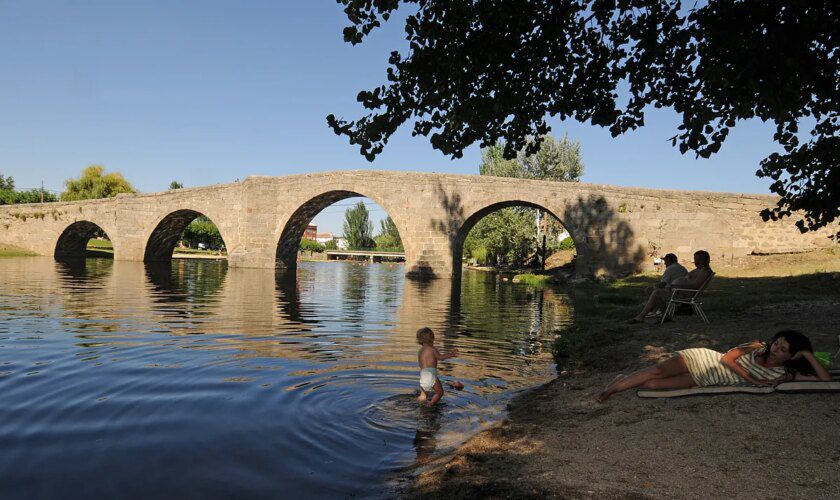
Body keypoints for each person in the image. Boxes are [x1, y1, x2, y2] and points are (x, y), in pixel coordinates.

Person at [595, 330, 831, 402]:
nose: (775, 349)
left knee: (653, 383)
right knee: (656, 370)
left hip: (708, 378)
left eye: (782, 349)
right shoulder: (757, 346)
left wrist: (808, 356)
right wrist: (753, 380)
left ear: (791, 356)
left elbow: (825, 382)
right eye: (777, 343)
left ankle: (625, 377)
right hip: (704, 359)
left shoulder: (784, 372)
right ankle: (611, 390)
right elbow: (726, 358)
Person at [629, 250, 713, 323]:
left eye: (699, 260)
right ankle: (662, 315)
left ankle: (642, 316)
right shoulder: (699, 270)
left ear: (707, 259)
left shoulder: (705, 271)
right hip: (679, 290)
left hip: (684, 293)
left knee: (657, 292)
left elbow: (695, 285)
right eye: (695, 260)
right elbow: (688, 278)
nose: (696, 262)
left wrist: (674, 286)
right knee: (656, 292)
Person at [416, 327, 463, 406]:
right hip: (431, 375)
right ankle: (431, 404)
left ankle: (418, 404)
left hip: (423, 375)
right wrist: (452, 354)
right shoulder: (433, 349)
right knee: (440, 393)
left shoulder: (420, 351)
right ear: (432, 339)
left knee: (423, 396)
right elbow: (440, 358)